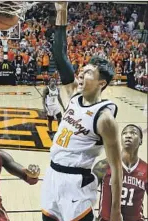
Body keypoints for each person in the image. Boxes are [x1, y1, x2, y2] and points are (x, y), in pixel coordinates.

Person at [41, 3, 122, 221]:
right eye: (83, 69)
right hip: (52, 177)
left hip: (77, 184)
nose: (81, 73)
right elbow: (59, 55)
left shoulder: (104, 118)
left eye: (88, 72)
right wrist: (61, 10)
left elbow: (116, 167)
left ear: (101, 83)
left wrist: (115, 211)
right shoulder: (73, 98)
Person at [93, 124, 147, 221]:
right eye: (124, 133)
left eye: (133, 133)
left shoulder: (145, 169)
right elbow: (85, 191)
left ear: (140, 141)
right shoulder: (104, 165)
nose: (128, 135)